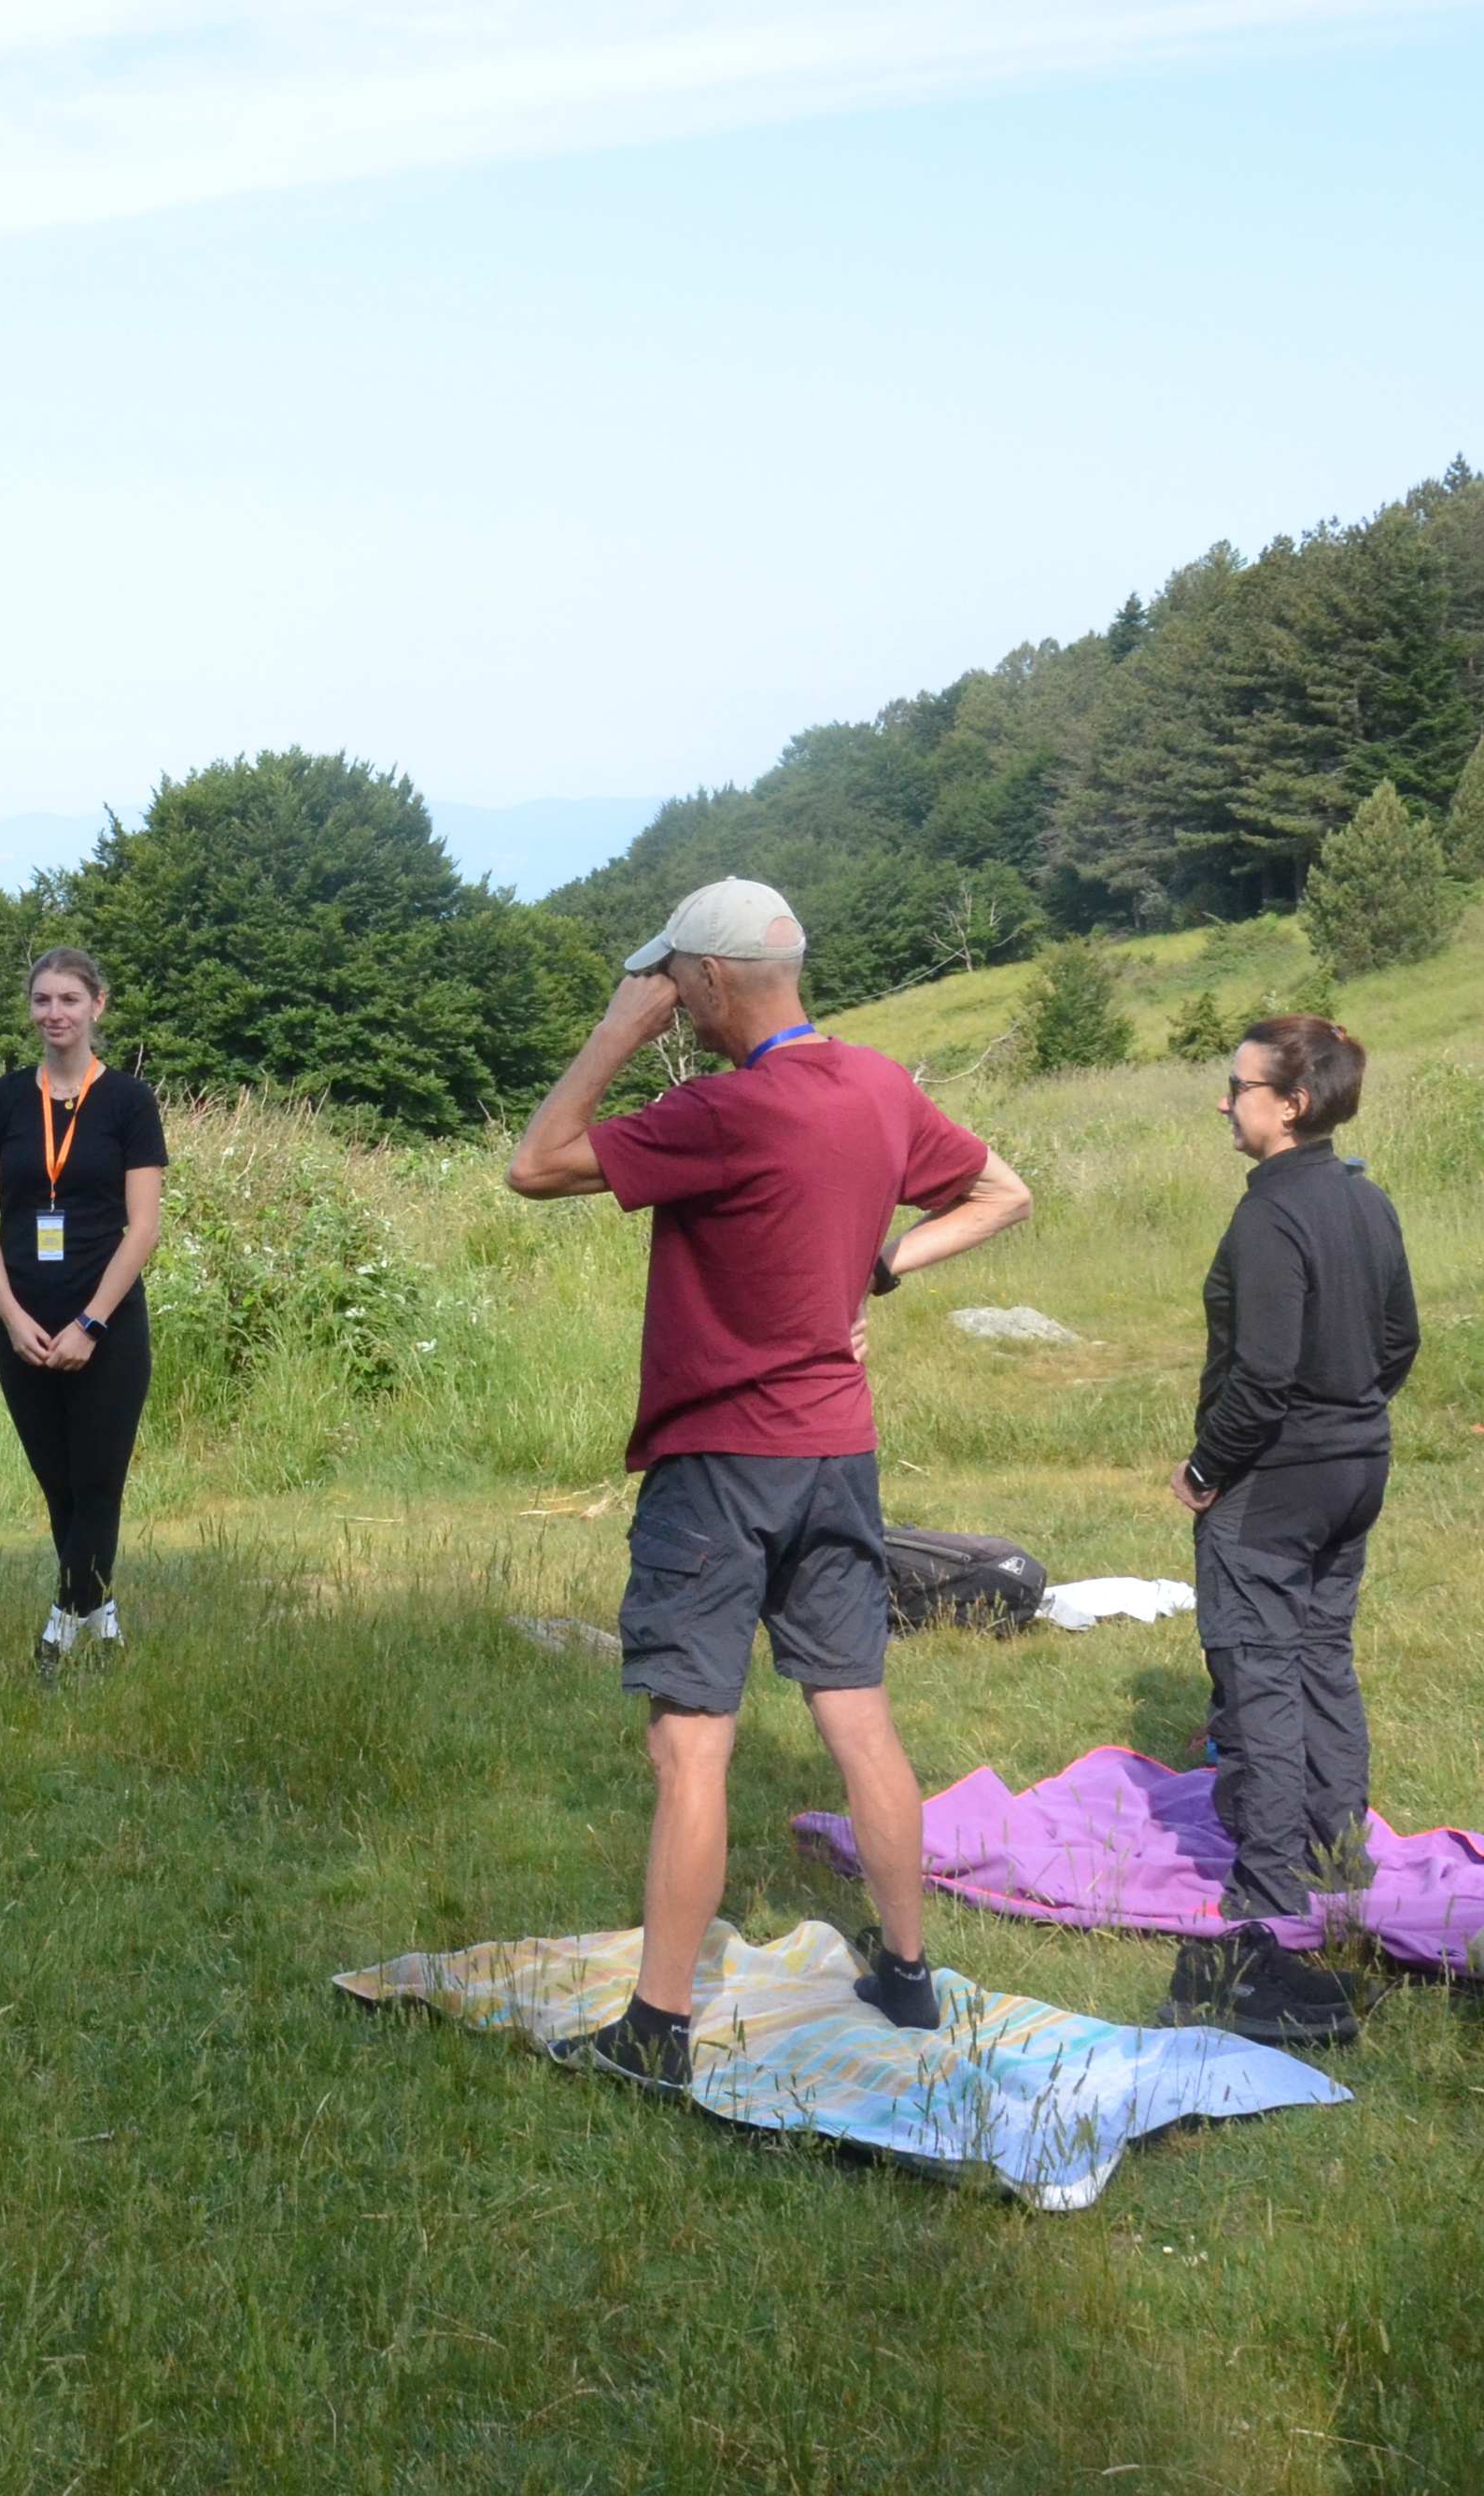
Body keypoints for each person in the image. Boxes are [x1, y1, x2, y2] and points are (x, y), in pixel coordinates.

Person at [502, 876, 1034, 2091]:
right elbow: (1003, 1193)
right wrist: (886, 1266)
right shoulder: (877, 1086)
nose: (667, 1001)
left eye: (671, 983)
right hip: (836, 1455)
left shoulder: (721, 1113)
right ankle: (906, 1975)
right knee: (857, 1716)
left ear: (709, 980)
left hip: (717, 1467)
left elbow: (534, 1165)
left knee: (690, 1748)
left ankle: (655, 2030)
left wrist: (613, 1033)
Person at [1158, 1013, 1417, 2048]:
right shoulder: (1364, 1197)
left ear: (1292, 1103)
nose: (1223, 1102)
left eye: (1239, 1087)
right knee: (1319, 1654)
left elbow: (1261, 1377)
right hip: (1356, 1468)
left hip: (1275, 1483)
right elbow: (1398, 1342)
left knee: (1260, 1667)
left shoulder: (1270, 1216)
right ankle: (1335, 1856)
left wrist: (1203, 1469)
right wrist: (1347, 1418)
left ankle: (1267, 1889)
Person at [0, 945, 167, 1674]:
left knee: (98, 1483)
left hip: (105, 1327)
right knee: (59, 1486)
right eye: (43, 1000)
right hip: (23, 1326)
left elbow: (143, 1227)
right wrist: (11, 1316)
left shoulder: (130, 1103)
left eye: (69, 1000)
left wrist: (91, 1323)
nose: (55, 1013)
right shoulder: (1, 1101)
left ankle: (59, 1628)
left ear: (97, 1005)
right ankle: (102, 1619)